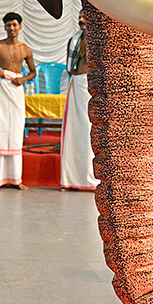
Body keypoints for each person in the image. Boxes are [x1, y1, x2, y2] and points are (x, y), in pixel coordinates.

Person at [0, 13, 35, 189]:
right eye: (8, 25)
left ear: (20, 26)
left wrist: (23, 80)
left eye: (14, 25)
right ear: (4, 27)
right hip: (0, 87)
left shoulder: (25, 49)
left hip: (16, 88)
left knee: (15, 128)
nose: (11, 28)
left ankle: (16, 179)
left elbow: (33, 72)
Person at [60, 12, 95, 191]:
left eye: (85, 17)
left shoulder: (99, 42)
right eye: (80, 17)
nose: (81, 20)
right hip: (77, 83)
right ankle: (71, 179)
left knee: (91, 129)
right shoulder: (74, 40)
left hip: (93, 87)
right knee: (75, 130)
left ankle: (91, 178)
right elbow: (70, 66)